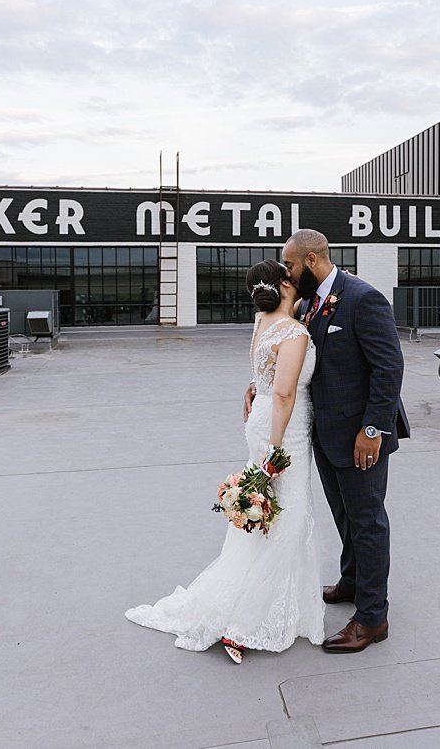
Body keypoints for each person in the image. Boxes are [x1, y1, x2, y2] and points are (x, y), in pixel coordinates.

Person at [126, 260, 324, 663]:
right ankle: (244, 624)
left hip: (262, 419)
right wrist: (274, 451)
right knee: (291, 517)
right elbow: (285, 393)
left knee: (266, 518)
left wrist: (255, 393)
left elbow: (263, 377)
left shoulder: (261, 322)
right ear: (286, 283)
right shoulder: (294, 331)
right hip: (283, 431)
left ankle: (257, 604)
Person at [274, 228, 408, 653]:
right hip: (327, 436)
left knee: (367, 522)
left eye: (291, 265)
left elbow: (389, 368)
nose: (287, 274)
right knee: (346, 517)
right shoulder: (309, 304)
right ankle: (352, 581)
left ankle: (373, 617)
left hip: (360, 436)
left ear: (312, 260)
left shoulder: (362, 298)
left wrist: (373, 430)